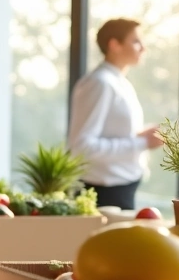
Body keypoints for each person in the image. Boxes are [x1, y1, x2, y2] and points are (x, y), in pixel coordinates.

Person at [68, 18, 163, 209]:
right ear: (114, 45)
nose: (143, 48)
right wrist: (143, 143)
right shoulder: (100, 83)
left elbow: (111, 134)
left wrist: (142, 135)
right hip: (106, 196)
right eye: (136, 41)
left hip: (120, 191)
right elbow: (82, 147)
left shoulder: (119, 82)